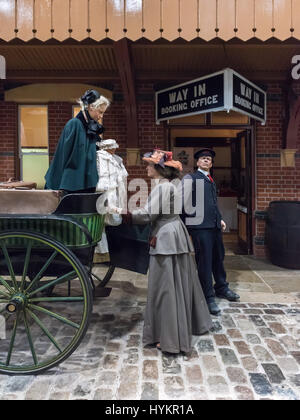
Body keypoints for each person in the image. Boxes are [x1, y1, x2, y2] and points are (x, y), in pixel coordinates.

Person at [122, 149, 212, 354]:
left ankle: (170, 338)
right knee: (179, 282)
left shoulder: (162, 188)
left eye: (149, 165)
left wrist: (124, 214)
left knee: (166, 288)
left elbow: (147, 215)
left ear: (158, 169)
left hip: (166, 238)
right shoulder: (169, 185)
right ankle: (185, 327)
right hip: (174, 234)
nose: (146, 168)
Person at [181, 148, 240, 316]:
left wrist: (219, 218)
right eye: (203, 158)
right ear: (197, 162)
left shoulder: (210, 180)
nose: (207, 160)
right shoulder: (191, 178)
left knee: (218, 258)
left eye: (209, 159)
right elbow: (182, 202)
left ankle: (221, 287)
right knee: (205, 262)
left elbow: (212, 203)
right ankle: (207, 297)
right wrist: (186, 224)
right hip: (199, 227)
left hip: (213, 226)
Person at [45, 89, 110, 194]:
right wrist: (56, 181)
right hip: (72, 184)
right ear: (91, 107)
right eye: (100, 112)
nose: (101, 116)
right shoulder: (74, 124)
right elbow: (63, 155)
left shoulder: (91, 128)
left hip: (88, 183)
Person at [95, 138, 128, 256]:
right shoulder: (99, 157)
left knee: (113, 219)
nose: (114, 149)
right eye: (111, 147)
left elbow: (122, 177)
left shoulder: (117, 159)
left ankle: (110, 250)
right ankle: (102, 251)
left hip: (115, 191)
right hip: (105, 192)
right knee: (101, 221)